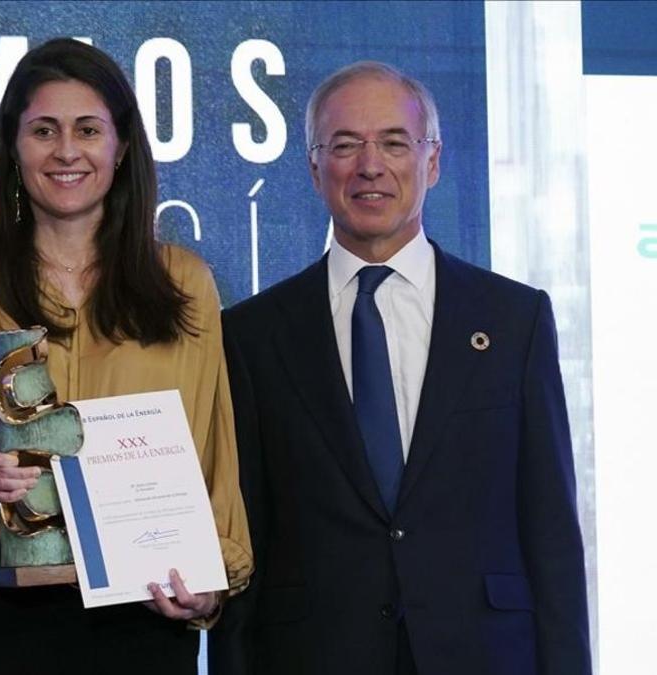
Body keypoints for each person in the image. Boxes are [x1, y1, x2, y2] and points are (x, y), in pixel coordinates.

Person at [0, 38, 252, 674]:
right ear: (14, 147)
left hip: (144, 611)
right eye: (43, 130)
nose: (67, 151)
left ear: (122, 146)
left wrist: (217, 576)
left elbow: (214, 453)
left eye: (88, 129)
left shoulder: (185, 282)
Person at [209, 61, 591, 675]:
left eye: (393, 142)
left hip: (484, 655)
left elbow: (551, 533)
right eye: (344, 144)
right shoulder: (253, 334)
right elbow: (245, 533)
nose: (370, 165)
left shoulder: (515, 319)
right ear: (313, 166)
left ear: (432, 161)